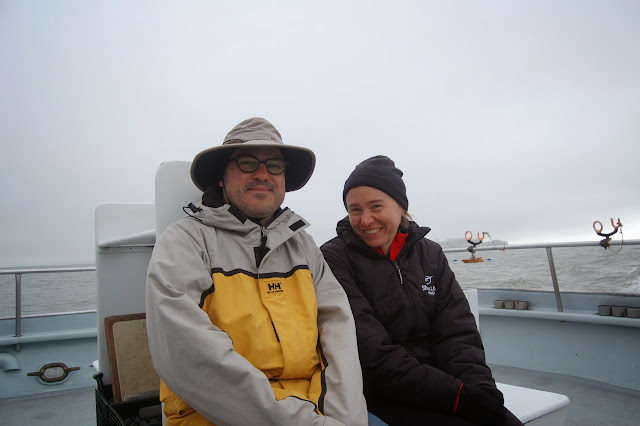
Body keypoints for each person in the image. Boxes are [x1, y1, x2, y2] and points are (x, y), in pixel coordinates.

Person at [145, 117, 368, 425]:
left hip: (319, 414)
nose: (263, 174)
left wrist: (347, 421)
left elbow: (338, 338)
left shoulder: (303, 246)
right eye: (247, 162)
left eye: (274, 165)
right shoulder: (185, 242)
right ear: (221, 176)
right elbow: (191, 358)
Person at [320, 155, 524, 426]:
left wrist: (479, 388)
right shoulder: (334, 259)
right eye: (355, 209)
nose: (366, 220)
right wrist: (458, 397)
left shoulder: (430, 254)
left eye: (376, 206)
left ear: (401, 207)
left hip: (438, 383)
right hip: (376, 391)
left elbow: (457, 332)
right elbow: (371, 353)